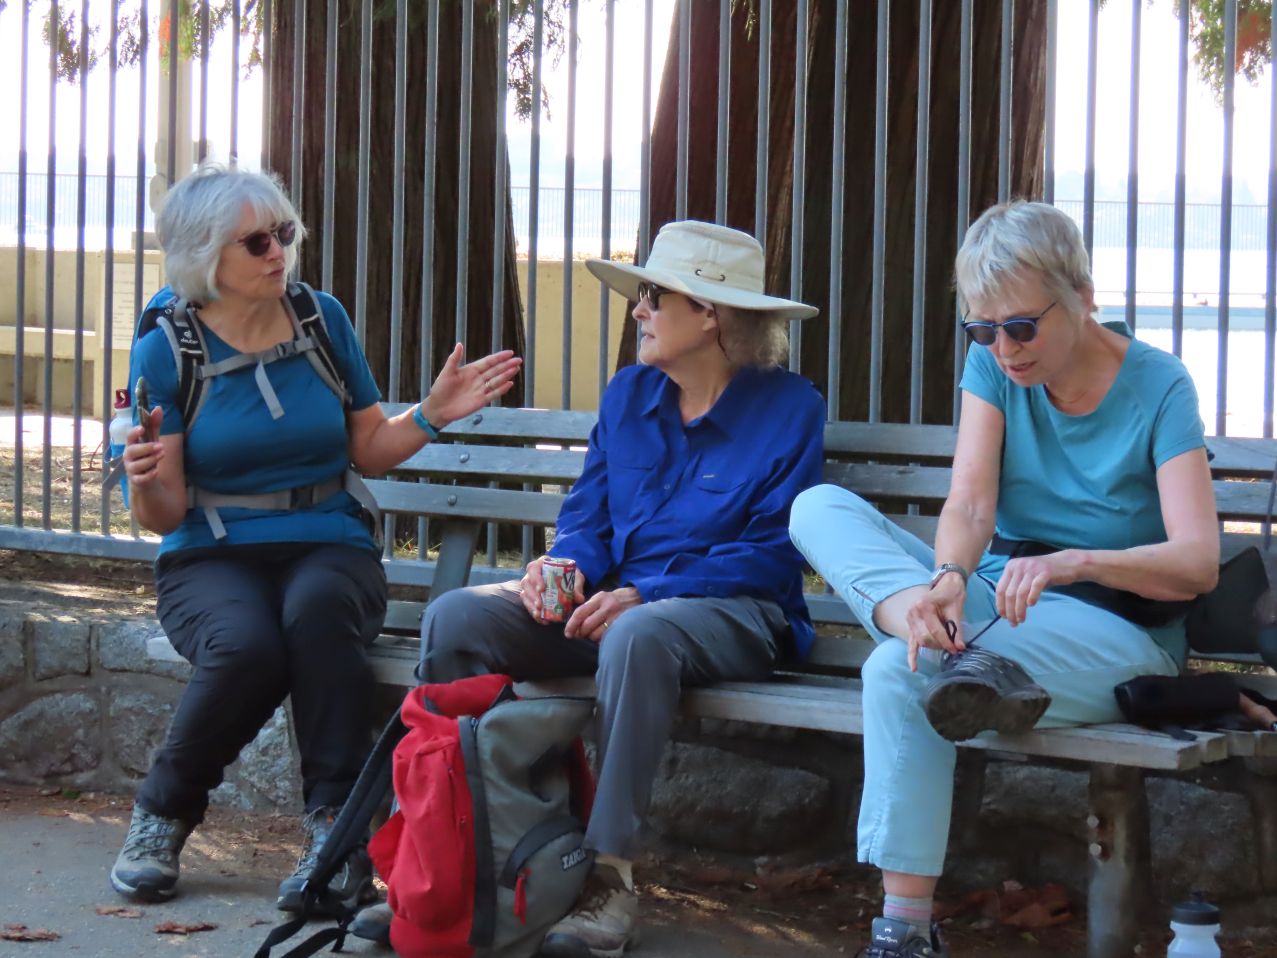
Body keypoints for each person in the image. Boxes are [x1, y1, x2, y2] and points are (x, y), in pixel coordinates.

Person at [349, 220, 827, 956]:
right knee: (455, 619)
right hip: (611, 607)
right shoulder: (630, 394)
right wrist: (563, 564)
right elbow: (588, 515)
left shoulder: (789, 407)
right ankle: (452, 857)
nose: (637, 310)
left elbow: (770, 550)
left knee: (639, 633)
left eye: (652, 295)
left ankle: (609, 874)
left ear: (709, 313)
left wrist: (650, 593)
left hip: (731, 612)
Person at [788, 200, 1219, 958]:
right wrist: (948, 576)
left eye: (1021, 326)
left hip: (1115, 627)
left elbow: (1196, 561)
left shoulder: (1159, 386)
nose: (1003, 347)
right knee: (817, 507)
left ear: (1082, 297)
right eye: (981, 329)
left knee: (901, 672)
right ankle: (918, 620)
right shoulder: (992, 363)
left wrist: (1073, 561)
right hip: (990, 605)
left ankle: (903, 931)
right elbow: (970, 500)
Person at [108, 164, 522, 910]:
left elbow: (368, 448)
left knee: (319, 617)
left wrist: (430, 413)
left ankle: (337, 834)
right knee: (247, 647)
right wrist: (141, 476)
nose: (279, 252)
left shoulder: (321, 320)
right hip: (211, 548)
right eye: (257, 241)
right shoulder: (166, 347)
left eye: (285, 234)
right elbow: (164, 514)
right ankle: (162, 815)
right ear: (206, 256)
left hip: (327, 537)